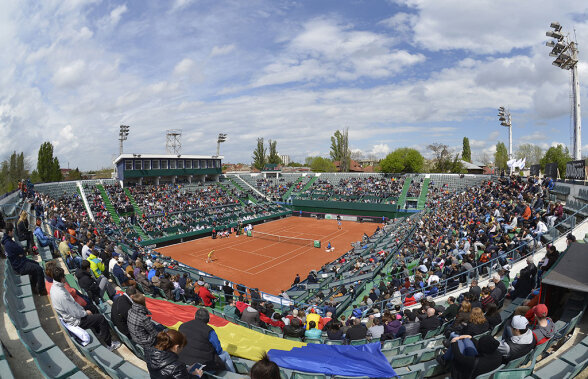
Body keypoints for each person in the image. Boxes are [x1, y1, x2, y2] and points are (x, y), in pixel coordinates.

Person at [50, 266, 121, 351]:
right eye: (64, 276)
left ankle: (99, 331)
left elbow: (73, 307)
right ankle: (109, 344)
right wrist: (85, 313)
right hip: (75, 320)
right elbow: (75, 312)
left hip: (73, 312)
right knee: (101, 318)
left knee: (92, 307)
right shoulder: (61, 295)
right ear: (61, 278)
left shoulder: (55, 287)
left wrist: (84, 310)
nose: (65, 278)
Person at [178, 308, 235, 373]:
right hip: (204, 365)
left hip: (183, 361)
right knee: (226, 354)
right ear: (208, 320)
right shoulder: (209, 331)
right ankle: (234, 375)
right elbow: (218, 350)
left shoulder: (182, 326)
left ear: (194, 317)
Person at [2, 223, 46, 295]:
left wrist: (20, 254)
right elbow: (20, 250)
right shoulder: (9, 243)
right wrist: (20, 254)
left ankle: (33, 285)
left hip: (21, 261)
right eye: (12, 230)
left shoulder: (8, 241)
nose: (13, 232)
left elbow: (20, 251)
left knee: (37, 264)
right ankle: (41, 290)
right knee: (39, 269)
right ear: (9, 231)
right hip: (20, 266)